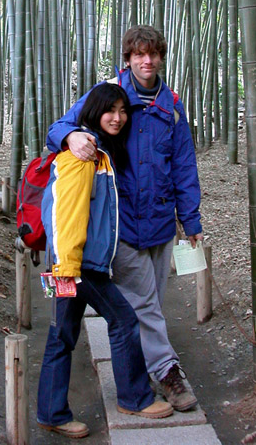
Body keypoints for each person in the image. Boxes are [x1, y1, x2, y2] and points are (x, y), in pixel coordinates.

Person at [47, 25, 203, 413]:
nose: (146, 61)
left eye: (152, 54)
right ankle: (167, 373)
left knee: (150, 303)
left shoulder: (171, 105)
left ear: (161, 57)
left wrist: (192, 219)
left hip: (161, 224)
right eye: (138, 55)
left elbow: (184, 166)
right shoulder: (112, 95)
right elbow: (60, 126)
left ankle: (143, 364)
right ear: (128, 58)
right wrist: (71, 138)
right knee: (145, 304)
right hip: (123, 223)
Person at [37, 83, 172, 439]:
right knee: (125, 320)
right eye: (110, 110)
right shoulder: (82, 154)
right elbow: (66, 216)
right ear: (94, 112)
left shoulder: (98, 152)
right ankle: (135, 397)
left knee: (61, 335)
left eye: (123, 110)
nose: (118, 117)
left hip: (72, 263)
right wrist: (68, 270)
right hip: (78, 265)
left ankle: (51, 412)